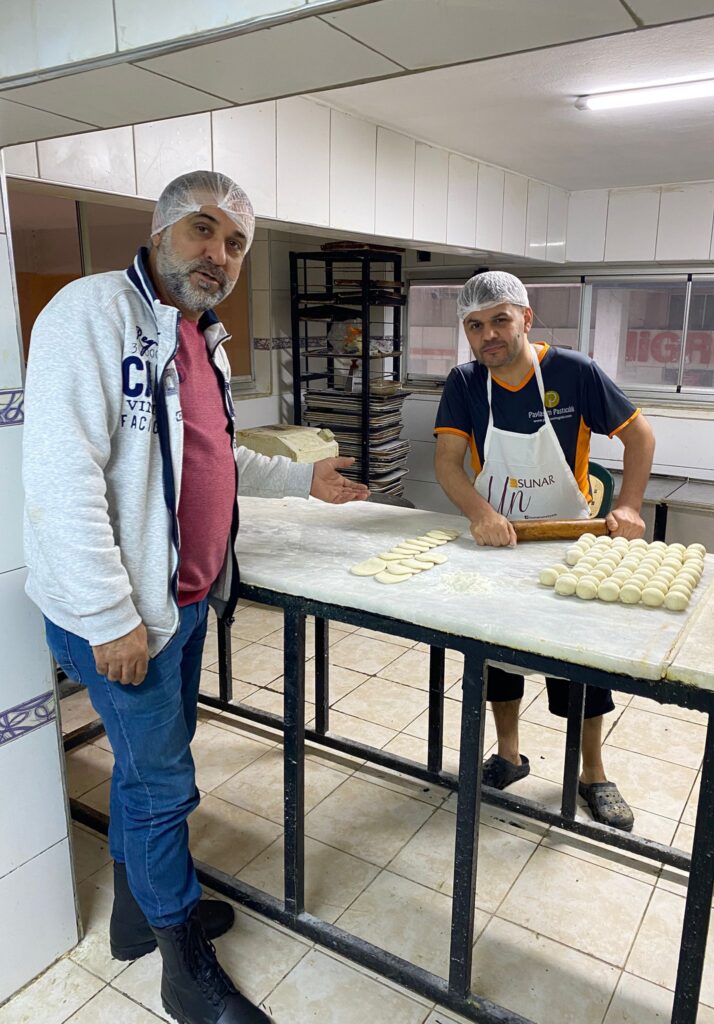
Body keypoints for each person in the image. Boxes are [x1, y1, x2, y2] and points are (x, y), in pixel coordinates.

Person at [22, 170, 368, 1024]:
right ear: (159, 231)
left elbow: (211, 455)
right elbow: (63, 478)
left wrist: (303, 479)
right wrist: (111, 618)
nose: (220, 254)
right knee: (163, 788)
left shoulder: (199, 336)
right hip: (122, 619)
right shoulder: (92, 315)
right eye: (203, 230)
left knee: (150, 774)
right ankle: (184, 971)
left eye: (236, 243)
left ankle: (136, 918)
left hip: (181, 607)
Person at [434, 271, 655, 832]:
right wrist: (480, 514)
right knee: (497, 655)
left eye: (500, 320)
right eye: (474, 325)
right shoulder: (465, 382)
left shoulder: (573, 372)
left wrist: (629, 506)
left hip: (568, 544)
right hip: (500, 542)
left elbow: (640, 437)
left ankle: (592, 774)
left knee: (579, 662)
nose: (488, 335)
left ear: (526, 319)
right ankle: (509, 755)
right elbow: (447, 464)